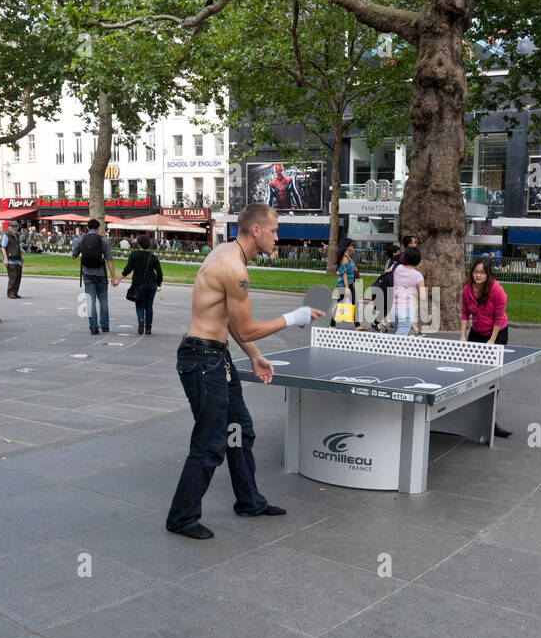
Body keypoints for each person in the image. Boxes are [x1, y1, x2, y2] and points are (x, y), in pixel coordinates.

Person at [165, 202, 324, 540]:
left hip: (214, 357)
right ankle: (181, 517)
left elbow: (233, 325)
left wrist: (254, 356)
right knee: (210, 442)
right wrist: (293, 318)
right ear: (256, 231)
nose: (277, 237)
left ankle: (249, 500)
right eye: (274, 230)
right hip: (201, 361)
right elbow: (248, 327)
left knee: (241, 429)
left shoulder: (228, 253)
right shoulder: (234, 269)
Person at [461, 256, 513, 438]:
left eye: (482, 272)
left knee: (492, 376)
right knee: (471, 373)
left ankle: (491, 420)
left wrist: (492, 340)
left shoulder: (497, 290)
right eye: (475, 272)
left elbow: (499, 317)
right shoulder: (467, 289)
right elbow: (464, 313)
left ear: (488, 273)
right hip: (476, 332)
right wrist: (462, 336)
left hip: (497, 333)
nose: (478, 275)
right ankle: (468, 416)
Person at [71, 218, 118, 335]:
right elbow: (109, 260)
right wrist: (113, 276)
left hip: (87, 273)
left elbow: (73, 256)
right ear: (98, 228)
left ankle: (93, 327)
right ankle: (105, 325)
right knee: (103, 299)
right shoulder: (104, 241)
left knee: (90, 300)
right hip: (101, 273)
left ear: (87, 228)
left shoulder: (81, 240)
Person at [121, 233, 163, 335]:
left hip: (138, 284)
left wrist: (119, 278)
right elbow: (159, 273)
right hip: (151, 284)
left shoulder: (134, 255)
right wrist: (158, 283)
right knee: (149, 306)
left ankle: (140, 319)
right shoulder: (153, 257)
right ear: (148, 245)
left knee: (139, 304)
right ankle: (148, 328)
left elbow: (128, 269)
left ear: (139, 244)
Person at [391, 246, 425, 336]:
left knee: (399, 335)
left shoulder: (397, 269)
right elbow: (422, 296)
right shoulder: (418, 276)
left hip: (393, 309)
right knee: (399, 340)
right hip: (406, 310)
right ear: (418, 260)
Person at [335, 238, 364, 331]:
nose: (353, 247)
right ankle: (357, 325)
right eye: (352, 245)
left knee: (352, 303)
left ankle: (357, 325)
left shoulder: (348, 256)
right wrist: (347, 287)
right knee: (342, 304)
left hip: (349, 283)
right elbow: (344, 273)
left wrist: (355, 269)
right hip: (343, 285)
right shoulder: (344, 258)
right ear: (347, 247)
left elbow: (350, 267)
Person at [1, 219, 25, 298]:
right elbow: (3, 248)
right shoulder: (6, 235)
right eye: (13, 226)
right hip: (10, 260)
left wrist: (21, 256)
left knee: (18, 277)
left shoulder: (17, 236)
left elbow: (18, 247)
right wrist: (5, 259)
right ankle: (10, 293)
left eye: (16, 226)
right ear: (9, 227)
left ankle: (15, 292)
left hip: (17, 260)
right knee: (13, 277)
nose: (15, 228)